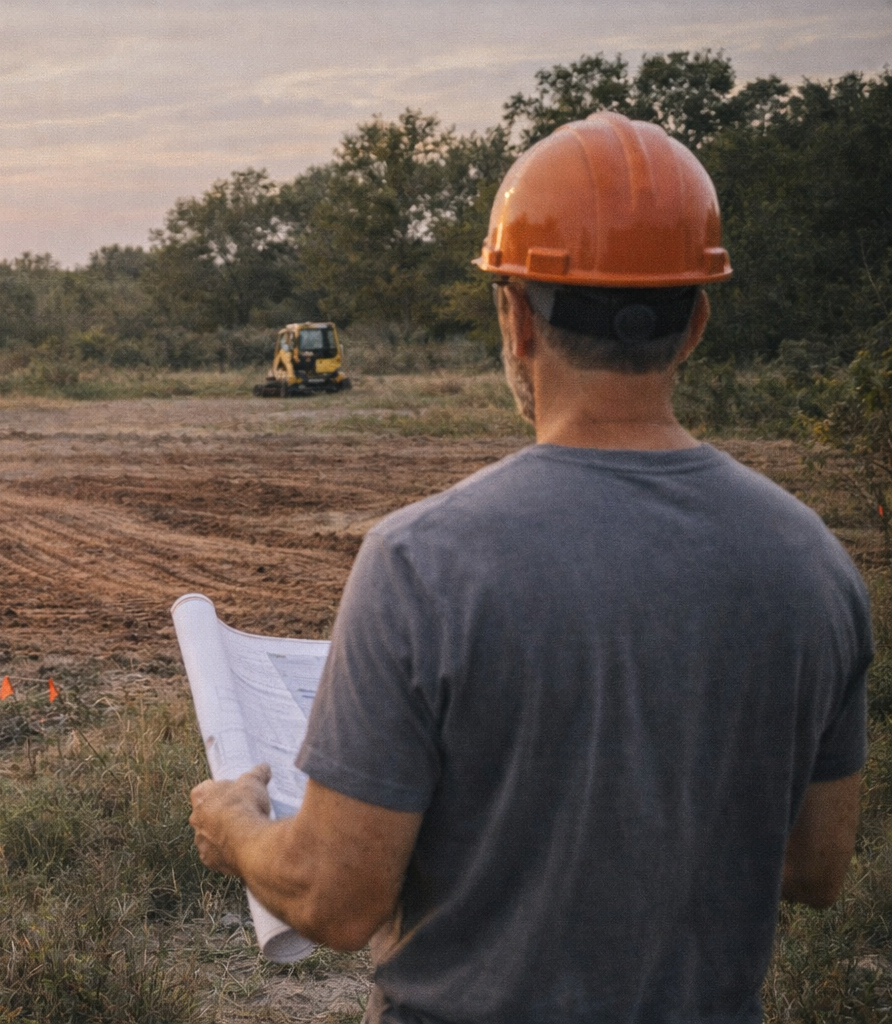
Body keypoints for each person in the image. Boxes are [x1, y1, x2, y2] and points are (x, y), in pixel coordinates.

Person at [189, 112, 870, 1024]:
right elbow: (814, 868)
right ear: (697, 321)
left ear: (515, 317)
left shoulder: (422, 562)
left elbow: (334, 900)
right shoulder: (813, 563)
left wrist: (233, 827)